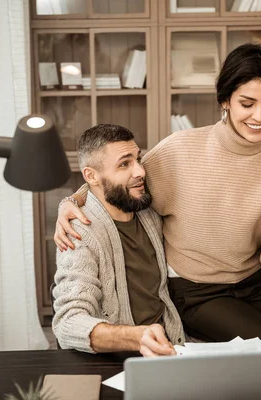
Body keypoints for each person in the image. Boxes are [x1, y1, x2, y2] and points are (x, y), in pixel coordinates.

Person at [54, 43, 261, 347]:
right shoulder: (179, 150)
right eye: (247, 103)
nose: (260, 115)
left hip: (255, 285)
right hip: (195, 292)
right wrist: (71, 201)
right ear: (225, 101)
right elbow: (122, 181)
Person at [52, 123, 185, 357]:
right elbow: (67, 323)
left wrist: (71, 199)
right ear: (91, 176)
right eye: (124, 164)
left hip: (171, 343)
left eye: (138, 159)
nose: (140, 171)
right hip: (119, 357)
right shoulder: (79, 233)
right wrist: (136, 337)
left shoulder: (146, 209)